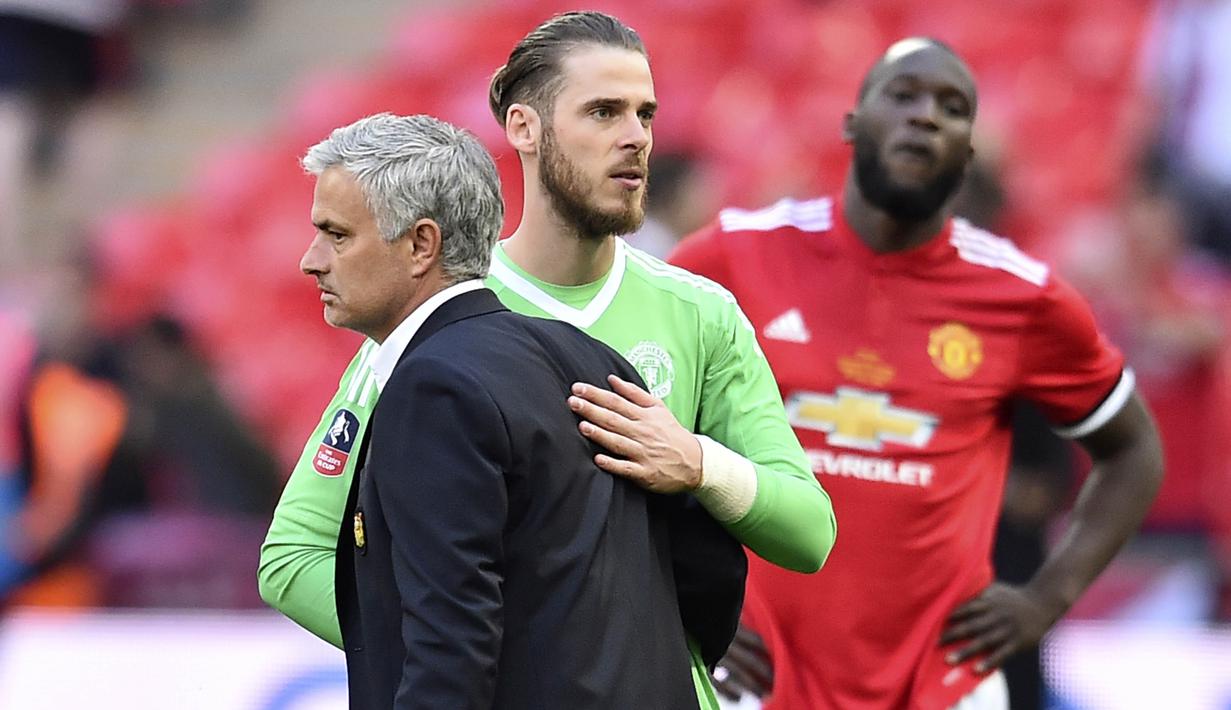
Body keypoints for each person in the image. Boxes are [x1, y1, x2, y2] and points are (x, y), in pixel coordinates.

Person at [259, 12, 836, 710]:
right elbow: (292, 559)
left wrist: (696, 464)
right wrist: (506, 650)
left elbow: (809, 533)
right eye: (602, 111)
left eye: (644, 114)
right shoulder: (434, 310)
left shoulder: (699, 313)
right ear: (524, 128)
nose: (635, 137)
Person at [671, 38, 1164, 710]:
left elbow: (1133, 450)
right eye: (902, 95)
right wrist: (680, 593)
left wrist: (1047, 597)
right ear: (851, 122)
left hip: (942, 685)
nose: (925, 115)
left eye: (952, 107)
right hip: (751, 680)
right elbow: (622, 421)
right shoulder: (731, 256)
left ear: (966, 153)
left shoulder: (1024, 299)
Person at [299, 112, 705, 708]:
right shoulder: (592, 356)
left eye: (337, 235)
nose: (311, 260)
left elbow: (449, 646)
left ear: (421, 245)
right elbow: (705, 567)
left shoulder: (431, 387)